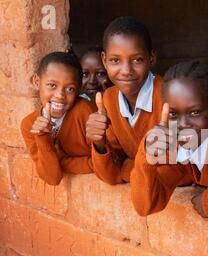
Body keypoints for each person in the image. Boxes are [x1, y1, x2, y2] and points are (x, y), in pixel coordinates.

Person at [131, 61, 208, 218]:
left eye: (195, 112)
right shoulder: (176, 145)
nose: (183, 125)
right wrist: (145, 156)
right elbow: (146, 207)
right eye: (173, 114)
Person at [86, 16, 163, 185]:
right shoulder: (109, 99)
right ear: (104, 61)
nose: (126, 71)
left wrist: (127, 169)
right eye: (115, 61)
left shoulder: (169, 98)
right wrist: (99, 143)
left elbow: (175, 173)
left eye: (137, 60)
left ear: (151, 58)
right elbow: (110, 175)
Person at [21, 52, 96, 185]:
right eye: (52, 85)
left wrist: (61, 161)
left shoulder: (84, 111)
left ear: (78, 90)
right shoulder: (30, 125)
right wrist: (42, 137)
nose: (60, 95)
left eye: (70, 89)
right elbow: (52, 177)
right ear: (37, 82)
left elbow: (103, 163)